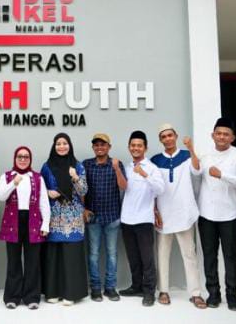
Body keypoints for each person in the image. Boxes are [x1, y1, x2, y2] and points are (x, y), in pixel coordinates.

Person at [193, 117, 236, 311]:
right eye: (218, 133)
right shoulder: (205, 156)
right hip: (206, 213)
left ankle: (232, 294)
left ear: (232, 137)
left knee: (231, 256)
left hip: (230, 214)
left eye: (226, 134)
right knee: (209, 255)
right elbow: (195, 174)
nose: (222, 137)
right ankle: (213, 293)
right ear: (213, 135)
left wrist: (222, 175)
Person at [150, 124, 206, 309]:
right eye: (164, 136)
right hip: (163, 214)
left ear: (175, 136)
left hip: (184, 213)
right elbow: (153, 188)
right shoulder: (155, 160)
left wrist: (191, 148)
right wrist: (155, 211)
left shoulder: (186, 155)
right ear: (160, 140)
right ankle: (163, 291)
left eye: (170, 135)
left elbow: (197, 170)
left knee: (190, 255)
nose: (167, 139)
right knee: (162, 254)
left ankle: (195, 293)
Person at [0, 146, 51, 309]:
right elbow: (0, 196)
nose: (23, 159)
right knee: (13, 260)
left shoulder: (37, 177)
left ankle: (31, 297)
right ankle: (12, 297)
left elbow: (43, 202)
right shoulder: (7, 176)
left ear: (30, 159)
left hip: (33, 221)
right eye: (19, 156)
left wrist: (45, 223)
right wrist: (14, 183)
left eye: (26, 157)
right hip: (13, 222)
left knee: (32, 261)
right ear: (15, 158)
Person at [40, 132, 89, 306]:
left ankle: (71, 294)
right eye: (58, 143)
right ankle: (53, 292)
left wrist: (75, 177)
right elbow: (39, 189)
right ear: (54, 146)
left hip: (73, 217)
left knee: (71, 255)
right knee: (53, 255)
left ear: (70, 145)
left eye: (65, 143)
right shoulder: (46, 167)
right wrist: (47, 192)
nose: (61, 146)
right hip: (54, 216)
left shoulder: (78, 166)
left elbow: (83, 191)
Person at [120, 130, 165, 307]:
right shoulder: (126, 167)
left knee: (147, 259)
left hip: (144, 219)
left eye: (139, 145)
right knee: (133, 257)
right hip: (127, 219)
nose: (136, 148)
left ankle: (149, 292)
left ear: (145, 148)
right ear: (129, 147)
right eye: (133, 145)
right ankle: (136, 286)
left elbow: (160, 189)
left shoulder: (152, 168)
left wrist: (145, 174)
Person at [82, 133, 127, 302]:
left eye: (103, 144)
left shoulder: (116, 163)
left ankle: (110, 287)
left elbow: (124, 186)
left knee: (112, 254)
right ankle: (95, 288)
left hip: (112, 217)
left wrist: (116, 169)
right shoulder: (86, 164)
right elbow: (81, 189)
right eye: (96, 145)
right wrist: (83, 208)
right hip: (93, 217)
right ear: (93, 147)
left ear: (109, 147)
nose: (99, 147)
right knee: (93, 254)